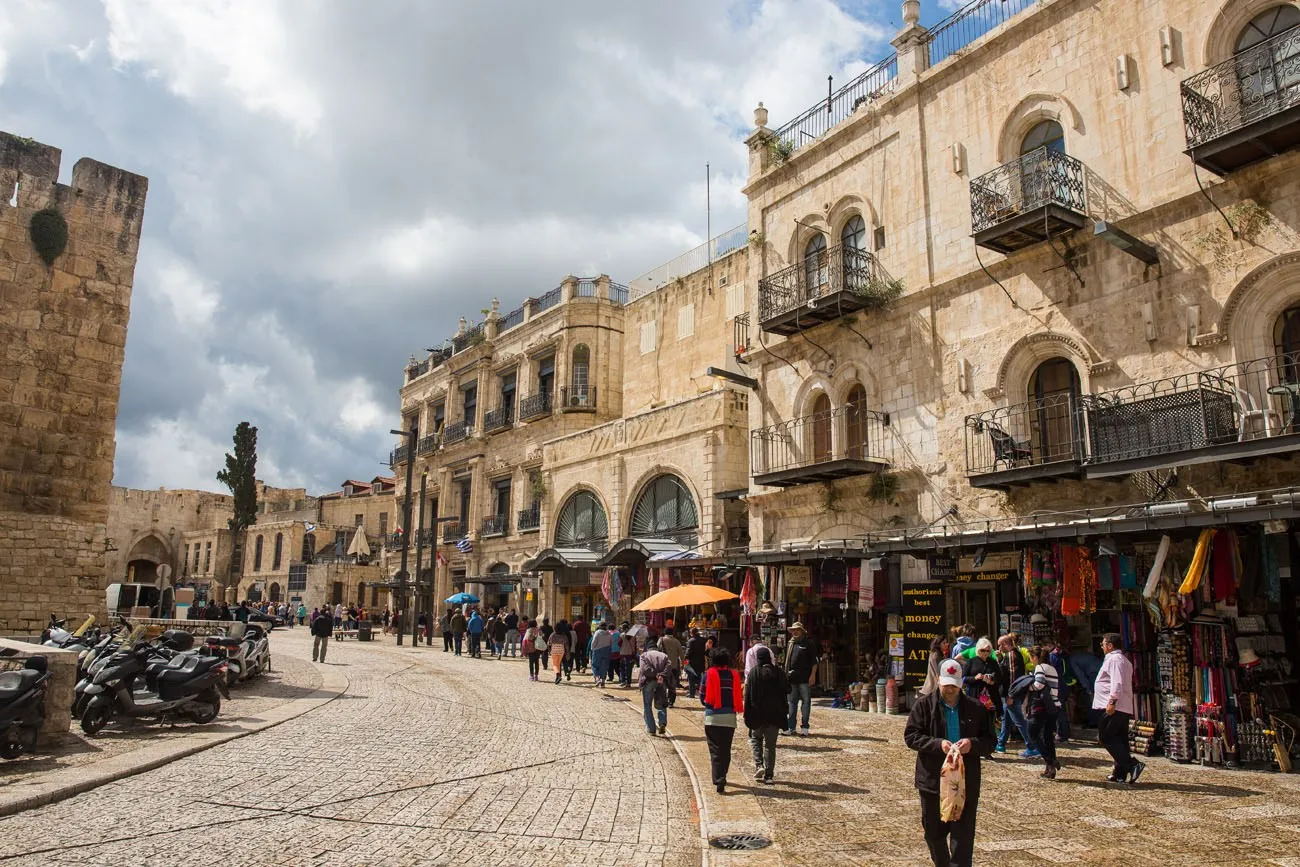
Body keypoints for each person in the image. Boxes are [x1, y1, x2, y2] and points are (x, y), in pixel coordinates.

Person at [905, 658, 994, 867]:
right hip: (933, 781)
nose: (950, 690)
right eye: (946, 685)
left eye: (954, 685)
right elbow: (911, 736)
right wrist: (938, 744)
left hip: (965, 782)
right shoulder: (924, 706)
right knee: (933, 832)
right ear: (938, 681)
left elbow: (990, 740)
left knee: (963, 837)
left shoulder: (975, 708)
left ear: (961, 683)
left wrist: (972, 744)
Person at [1093, 632, 1143, 784]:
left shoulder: (1115, 659)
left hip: (1115, 705)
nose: (1101, 647)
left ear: (1110, 645)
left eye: (1102, 644)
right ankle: (1120, 773)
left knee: (1106, 737)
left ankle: (1132, 764)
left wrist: (1112, 701)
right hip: (1121, 705)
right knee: (1120, 739)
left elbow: (1117, 682)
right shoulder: (1123, 660)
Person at [744, 645, 789, 784]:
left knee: (756, 739)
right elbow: (788, 689)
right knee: (771, 745)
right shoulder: (778, 672)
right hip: (775, 715)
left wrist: (747, 714)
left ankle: (759, 765)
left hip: (758, 714)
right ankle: (769, 776)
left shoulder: (753, 673)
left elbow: (748, 696)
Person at [700, 646, 742, 793]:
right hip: (730, 718)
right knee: (726, 749)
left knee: (715, 749)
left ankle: (718, 778)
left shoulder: (707, 675)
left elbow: (702, 697)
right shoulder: (734, 676)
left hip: (712, 718)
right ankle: (722, 775)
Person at [995, 634, 1035, 756]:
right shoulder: (1010, 655)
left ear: (1005, 644)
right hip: (1010, 693)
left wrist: (1010, 695)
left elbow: (1012, 677)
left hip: (1011, 694)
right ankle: (1001, 743)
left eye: (1000, 645)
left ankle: (1032, 746)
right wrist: (1001, 659)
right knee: (1006, 719)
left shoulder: (1012, 655)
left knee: (1019, 720)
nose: (999, 648)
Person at [1026, 645, 1062, 780]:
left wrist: (1028, 687)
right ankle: (1050, 769)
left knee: (1033, 734)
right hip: (1054, 706)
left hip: (1042, 707)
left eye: (1031, 658)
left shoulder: (1040, 668)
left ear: (1035, 657)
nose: (1031, 660)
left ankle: (1050, 760)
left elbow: (1039, 684)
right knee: (1048, 738)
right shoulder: (1052, 668)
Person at [784, 622, 818, 736]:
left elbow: (814, 662)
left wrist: (812, 675)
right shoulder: (790, 644)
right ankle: (791, 727)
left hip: (804, 678)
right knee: (791, 703)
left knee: (806, 702)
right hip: (792, 679)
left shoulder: (808, 644)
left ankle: (804, 727)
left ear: (802, 631)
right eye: (793, 630)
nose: (795, 632)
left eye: (797, 630)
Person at [639, 637, 673, 735]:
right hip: (661, 681)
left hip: (648, 682)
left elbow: (644, 669)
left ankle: (651, 729)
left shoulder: (644, 655)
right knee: (661, 703)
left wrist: (655, 674)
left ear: (647, 648)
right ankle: (662, 723)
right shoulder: (664, 656)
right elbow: (669, 667)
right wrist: (661, 675)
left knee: (647, 705)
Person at [961, 639, 1002, 719]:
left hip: (991, 697)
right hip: (975, 696)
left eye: (988, 651)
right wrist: (975, 678)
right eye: (983, 650)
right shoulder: (971, 662)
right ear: (978, 649)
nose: (986, 653)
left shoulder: (993, 662)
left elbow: (1000, 678)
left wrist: (992, 681)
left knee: (990, 722)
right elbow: (963, 678)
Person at [658, 628, 684, 707]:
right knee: (672, 685)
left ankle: (663, 699)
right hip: (674, 666)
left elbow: (657, 649)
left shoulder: (661, 640)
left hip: (663, 666)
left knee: (663, 683)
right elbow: (681, 654)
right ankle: (671, 702)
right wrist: (683, 663)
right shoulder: (676, 641)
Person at [684, 630, 708, 698]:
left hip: (692, 663)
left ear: (691, 633)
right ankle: (702, 693)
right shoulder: (704, 640)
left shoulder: (691, 641)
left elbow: (688, 652)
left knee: (691, 679)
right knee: (700, 679)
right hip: (701, 661)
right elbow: (706, 651)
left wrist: (685, 659)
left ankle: (692, 693)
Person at [590, 622, 613, 688]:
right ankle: (603, 682)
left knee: (595, 665)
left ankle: (597, 678)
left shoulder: (597, 632)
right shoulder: (609, 633)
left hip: (597, 650)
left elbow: (594, 642)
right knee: (604, 666)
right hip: (607, 651)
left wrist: (592, 649)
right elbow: (611, 642)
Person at [617, 623, 637, 688]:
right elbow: (635, 645)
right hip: (630, 654)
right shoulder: (633, 635)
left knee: (622, 668)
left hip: (623, 653)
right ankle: (628, 682)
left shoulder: (621, 635)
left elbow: (619, 644)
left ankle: (623, 681)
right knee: (629, 669)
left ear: (624, 628)